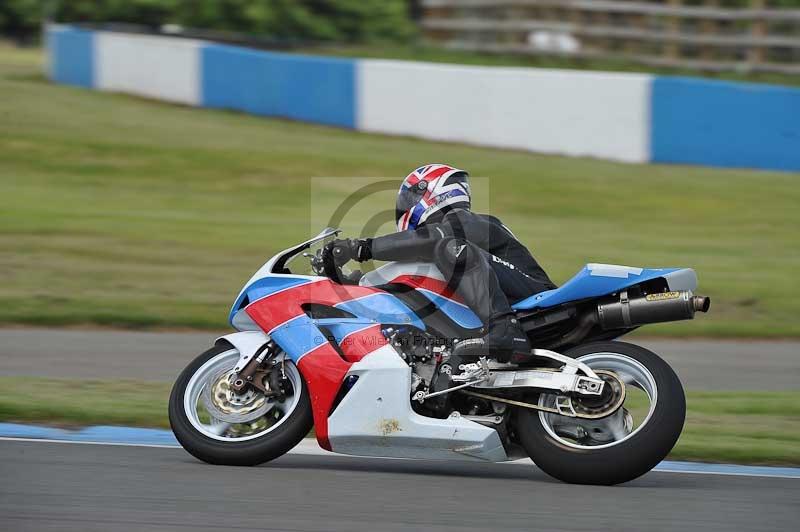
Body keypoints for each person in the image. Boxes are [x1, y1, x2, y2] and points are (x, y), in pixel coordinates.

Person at [329, 164, 556, 372]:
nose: (405, 206)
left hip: (537, 295)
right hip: (518, 295)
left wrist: (362, 247)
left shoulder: (466, 221)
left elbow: (428, 240)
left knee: (450, 247)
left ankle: (505, 327)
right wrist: (354, 285)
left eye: (410, 197)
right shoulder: (446, 238)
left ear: (433, 193)